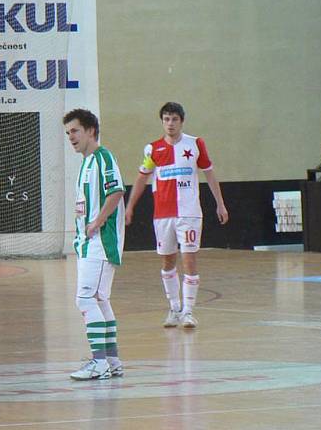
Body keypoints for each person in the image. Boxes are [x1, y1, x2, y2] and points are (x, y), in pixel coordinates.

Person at [125, 102, 229, 329]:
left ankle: (188, 312)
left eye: (174, 119)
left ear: (181, 121)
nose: (170, 123)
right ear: (162, 122)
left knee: (189, 259)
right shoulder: (152, 149)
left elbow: (210, 175)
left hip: (189, 213)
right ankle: (173, 308)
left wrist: (220, 204)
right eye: (166, 119)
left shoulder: (195, 144)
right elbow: (142, 177)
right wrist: (130, 206)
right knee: (167, 260)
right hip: (162, 214)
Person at [63, 108, 125, 380]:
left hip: (100, 242)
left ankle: (98, 363)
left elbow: (116, 190)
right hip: (88, 243)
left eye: (75, 131)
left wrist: (97, 222)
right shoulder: (86, 163)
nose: (71, 137)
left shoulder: (103, 157)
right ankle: (111, 361)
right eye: (67, 133)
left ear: (90, 131)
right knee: (99, 299)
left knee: (85, 299)